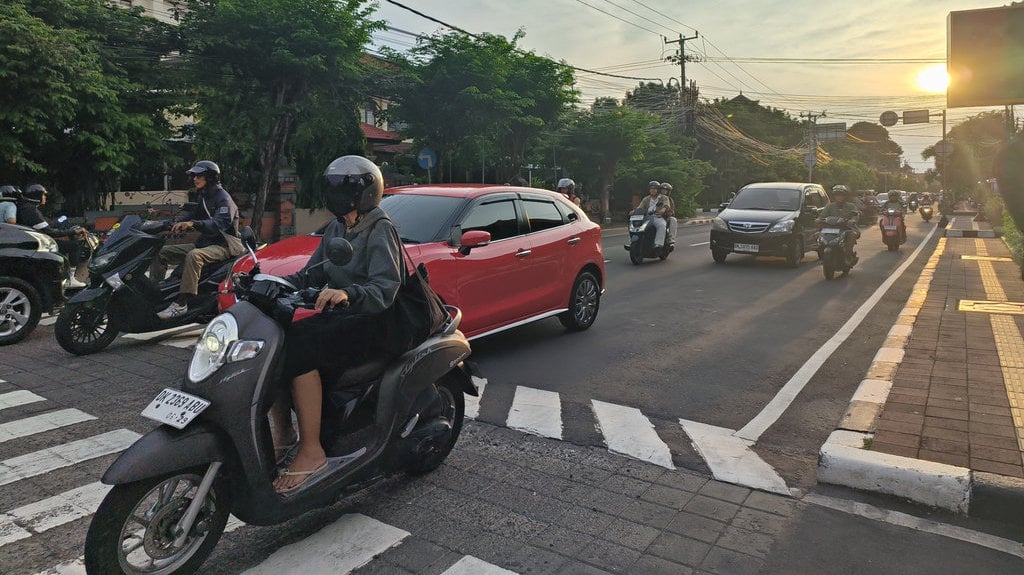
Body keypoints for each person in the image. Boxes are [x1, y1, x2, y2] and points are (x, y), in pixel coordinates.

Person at [270, 155, 403, 493]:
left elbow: (385, 289)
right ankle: (284, 433)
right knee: (277, 340)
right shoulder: (336, 227)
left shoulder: (380, 227)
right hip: (343, 316)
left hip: (372, 319)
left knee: (300, 351)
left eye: (343, 190)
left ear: (364, 193)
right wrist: (271, 282)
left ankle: (312, 451)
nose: (335, 196)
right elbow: (311, 273)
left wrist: (346, 292)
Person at [152, 160, 242, 319]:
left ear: (210, 177)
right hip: (205, 243)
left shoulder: (223, 199)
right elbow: (192, 214)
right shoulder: (204, 196)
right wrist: (169, 224)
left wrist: (193, 224)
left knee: (194, 256)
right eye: (194, 175)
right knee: (161, 252)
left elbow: (218, 223)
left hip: (224, 246)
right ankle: (155, 293)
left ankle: (181, 304)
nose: (195, 178)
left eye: (199, 175)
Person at [15, 184, 90, 288]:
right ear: (37, 197)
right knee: (74, 246)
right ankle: (71, 279)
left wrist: (66, 226)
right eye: (43, 195)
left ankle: (65, 276)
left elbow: (47, 223)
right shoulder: (30, 211)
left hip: (35, 241)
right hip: (38, 244)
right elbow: (50, 232)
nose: (45, 197)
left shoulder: (28, 208)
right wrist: (73, 232)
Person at [818, 185, 860, 260]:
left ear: (845, 196)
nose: (839, 197)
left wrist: (853, 220)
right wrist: (818, 219)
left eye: (841, 195)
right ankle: (821, 255)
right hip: (830, 228)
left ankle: (848, 255)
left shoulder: (851, 206)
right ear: (834, 196)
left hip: (847, 228)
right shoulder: (829, 206)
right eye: (837, 195)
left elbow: (856, 215)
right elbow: (822, 216)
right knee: (817, 235)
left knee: (852, 235)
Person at [636, 181, 670, 248]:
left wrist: (663, 210)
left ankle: (658, 244)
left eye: (655, 189)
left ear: (658, 190)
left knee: (662, 225)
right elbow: (640, 207)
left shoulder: (663, 198)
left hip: (657, 217)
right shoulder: (646, 199)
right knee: (637, 226)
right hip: (646, 218)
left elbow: (666, 205)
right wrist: (634, 211)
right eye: (651, 188)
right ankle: (635, 241)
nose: (653, 190)